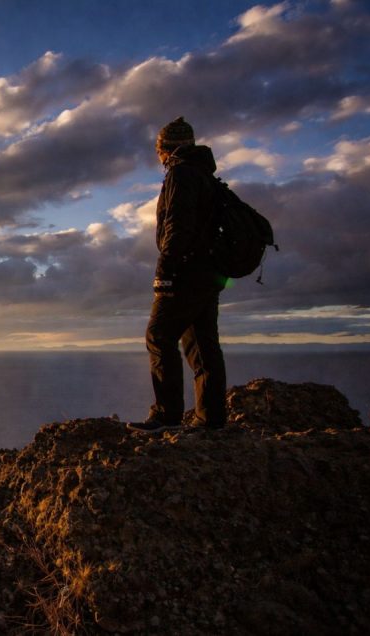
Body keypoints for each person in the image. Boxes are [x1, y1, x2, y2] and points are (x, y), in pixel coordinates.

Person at [128, 117, 227, 433]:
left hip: (186, 271)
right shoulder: (207, 178)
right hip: (211, 273)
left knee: (158, 335)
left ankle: (166, 416)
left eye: (158, 151)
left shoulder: (181, 174)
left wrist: (165, 271)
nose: (159, 158)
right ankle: (211, 419)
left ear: (165, 149)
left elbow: (177, 225)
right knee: (202, 343)